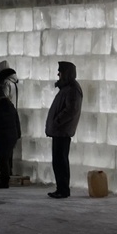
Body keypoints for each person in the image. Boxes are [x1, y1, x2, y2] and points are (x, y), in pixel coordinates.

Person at [45, 60, 82, 199]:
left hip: (62, 130)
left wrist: (57, 121)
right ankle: (60, 188)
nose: (58, 73)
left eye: (60, 71)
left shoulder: (72, 89)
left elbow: (71, 109)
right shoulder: (68, 88)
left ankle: (63, 189)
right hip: (59, 130)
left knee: (60, 160)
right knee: (58, 160)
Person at [0, 86, 21, 188]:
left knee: (2, 159)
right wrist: (18, 134)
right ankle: (6, 176)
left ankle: (4, 181)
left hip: (2, 136)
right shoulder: (11, 107)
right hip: (12, 135)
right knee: (7, 157)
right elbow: (17, 122)